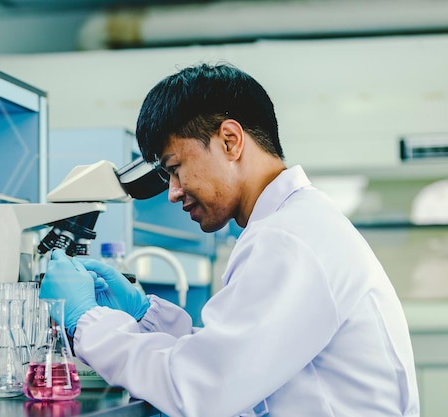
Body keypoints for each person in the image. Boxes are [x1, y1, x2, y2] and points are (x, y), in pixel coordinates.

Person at [39, 62, 420, 417]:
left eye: (175, 168)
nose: (172, 192)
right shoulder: (296, 224)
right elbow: (236, 356)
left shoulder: (287, 239)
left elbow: (201, 388)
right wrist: (146, 317)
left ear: (230, 140)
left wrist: (87, 320)